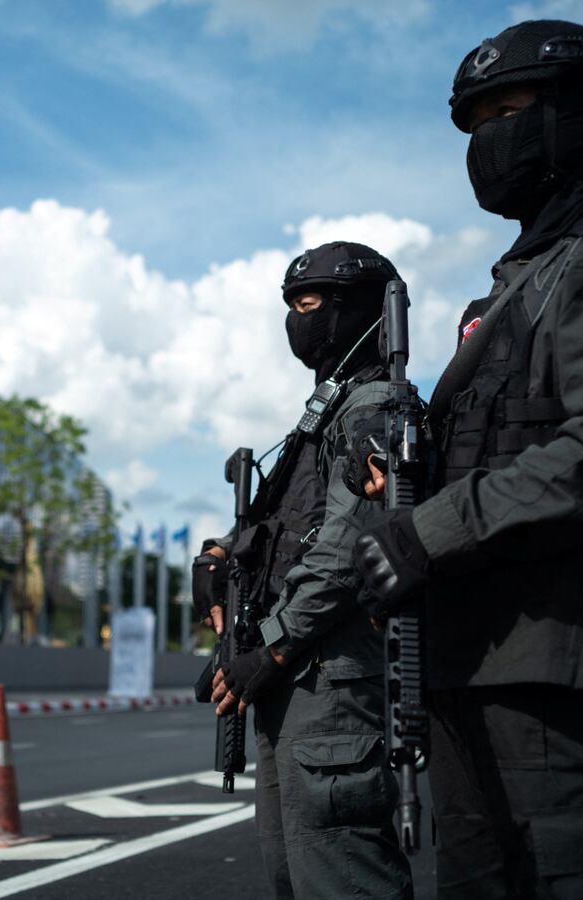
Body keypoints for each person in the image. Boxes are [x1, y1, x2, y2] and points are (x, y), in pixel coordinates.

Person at [349, 19, 583, 899]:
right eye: (476, 118)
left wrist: (427, 534)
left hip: (571, 676)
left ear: (582, 114)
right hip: (476, 661)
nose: (490, 137)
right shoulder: (518, 281)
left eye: (510, 108)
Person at [196, 241, 414, 899]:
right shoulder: (325, 412)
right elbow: (282, 531)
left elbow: (346, 549)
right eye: (291, 305)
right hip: (293, 680)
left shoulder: (374, 404)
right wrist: (220, 561)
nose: (298, 318)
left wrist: (272, 646)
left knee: (343, 879)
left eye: (310, 303)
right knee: (295, 878)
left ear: (355, 311)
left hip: (332, 682)